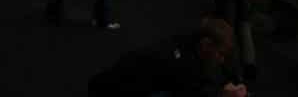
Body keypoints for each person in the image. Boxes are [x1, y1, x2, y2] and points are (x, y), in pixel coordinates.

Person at [87, 16, 251, 97]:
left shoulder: (189, 45)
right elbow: (189, 87)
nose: (221, 59)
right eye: (220, 54)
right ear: (206, 44)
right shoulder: (179, 61)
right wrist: (222, 93)